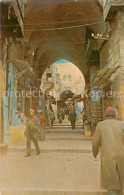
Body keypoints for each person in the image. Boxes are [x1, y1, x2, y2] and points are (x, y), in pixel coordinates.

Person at [92, 107, 124, 195]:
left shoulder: (101, 125)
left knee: (110, 180)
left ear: (105, 115)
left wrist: (95, 153)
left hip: (107, 156)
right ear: (115, 115)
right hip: (121, 155)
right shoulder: (122, 124)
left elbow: (95, 142)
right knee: (120, 177)